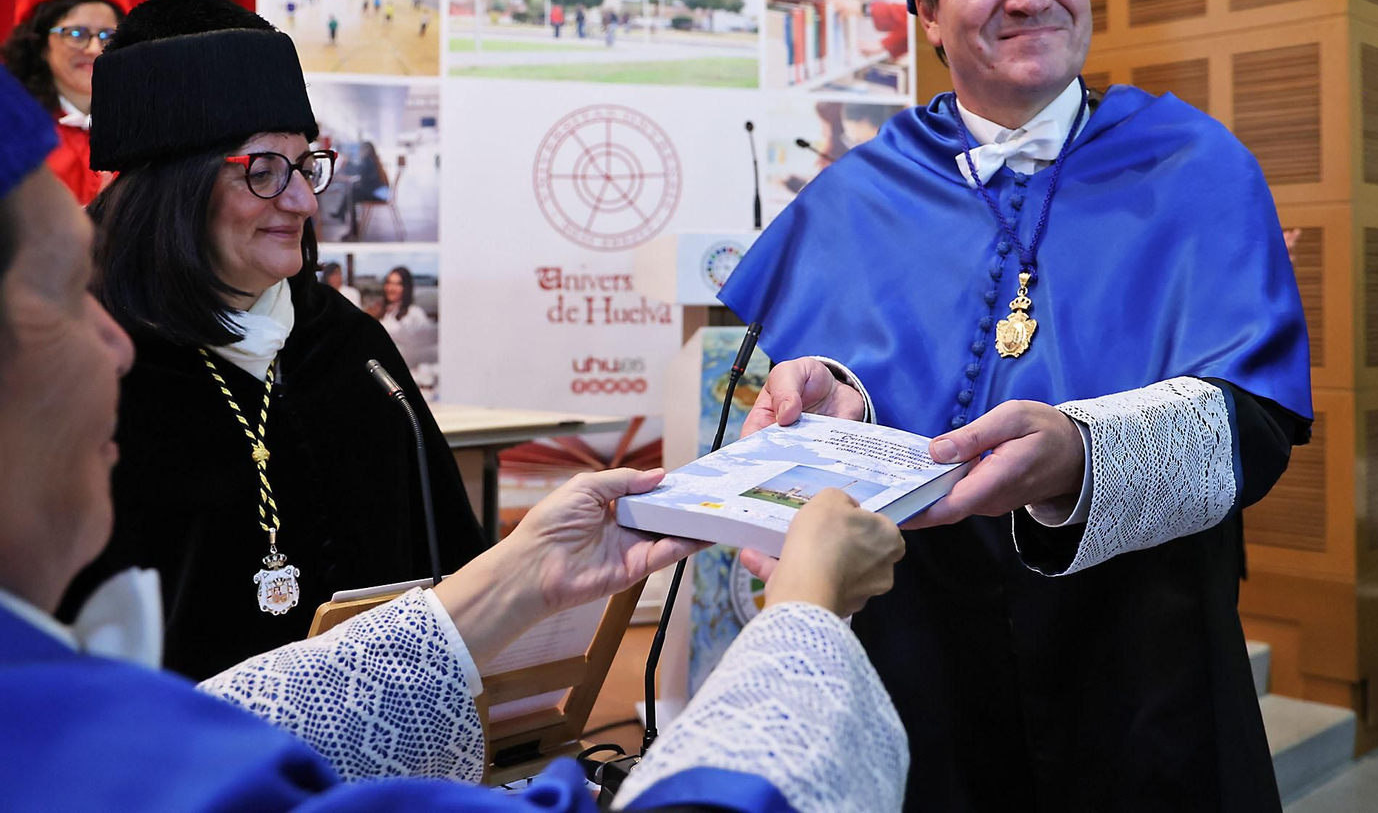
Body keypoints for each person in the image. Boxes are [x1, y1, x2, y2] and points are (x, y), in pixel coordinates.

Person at [0, 63, 911, 811]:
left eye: (302, 166)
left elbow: (221, 720)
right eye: (65, 289)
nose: (113, 342)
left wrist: (515, 579)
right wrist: (804, 615)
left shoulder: (344, 346)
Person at [721, 0, 1313, 812]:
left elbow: (1252, 431)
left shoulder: (1196, 165)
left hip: (1144, 669)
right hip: (922, 673)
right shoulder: (855, 194)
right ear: (925, 8)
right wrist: (833, 394)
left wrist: (1082, 455)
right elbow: (854, 380)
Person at [59, 0, 486, 681]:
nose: (305, 202)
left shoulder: (347, 349)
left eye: (306, 164)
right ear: (174, 183)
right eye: (263, 170)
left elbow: (445, 574)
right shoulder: (76, 358)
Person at [1, 0, 131, 205]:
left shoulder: (141, 125)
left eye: (108, 35)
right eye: (76, 33)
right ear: (37, 41)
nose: (95, 48)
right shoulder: (11, 132)